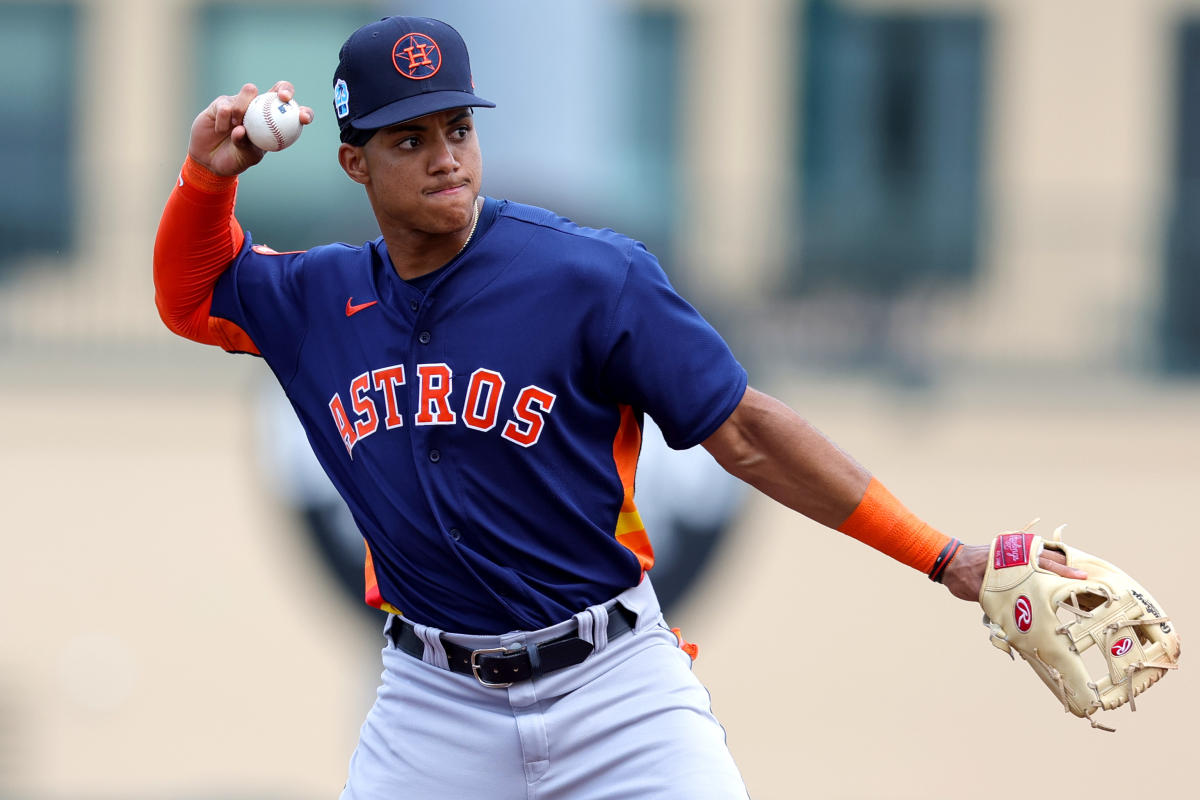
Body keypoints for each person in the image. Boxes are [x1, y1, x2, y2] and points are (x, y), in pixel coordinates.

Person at [153, 16, 1084, 799]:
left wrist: (940, 555)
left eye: (459, 130)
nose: (446, 159)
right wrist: (210, 177)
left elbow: (750, 434)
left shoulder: (589, 277)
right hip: (431, 705)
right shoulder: (320, 301)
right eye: (410, 139)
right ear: (354, 163)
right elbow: (190, 297)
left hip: (612, 685)